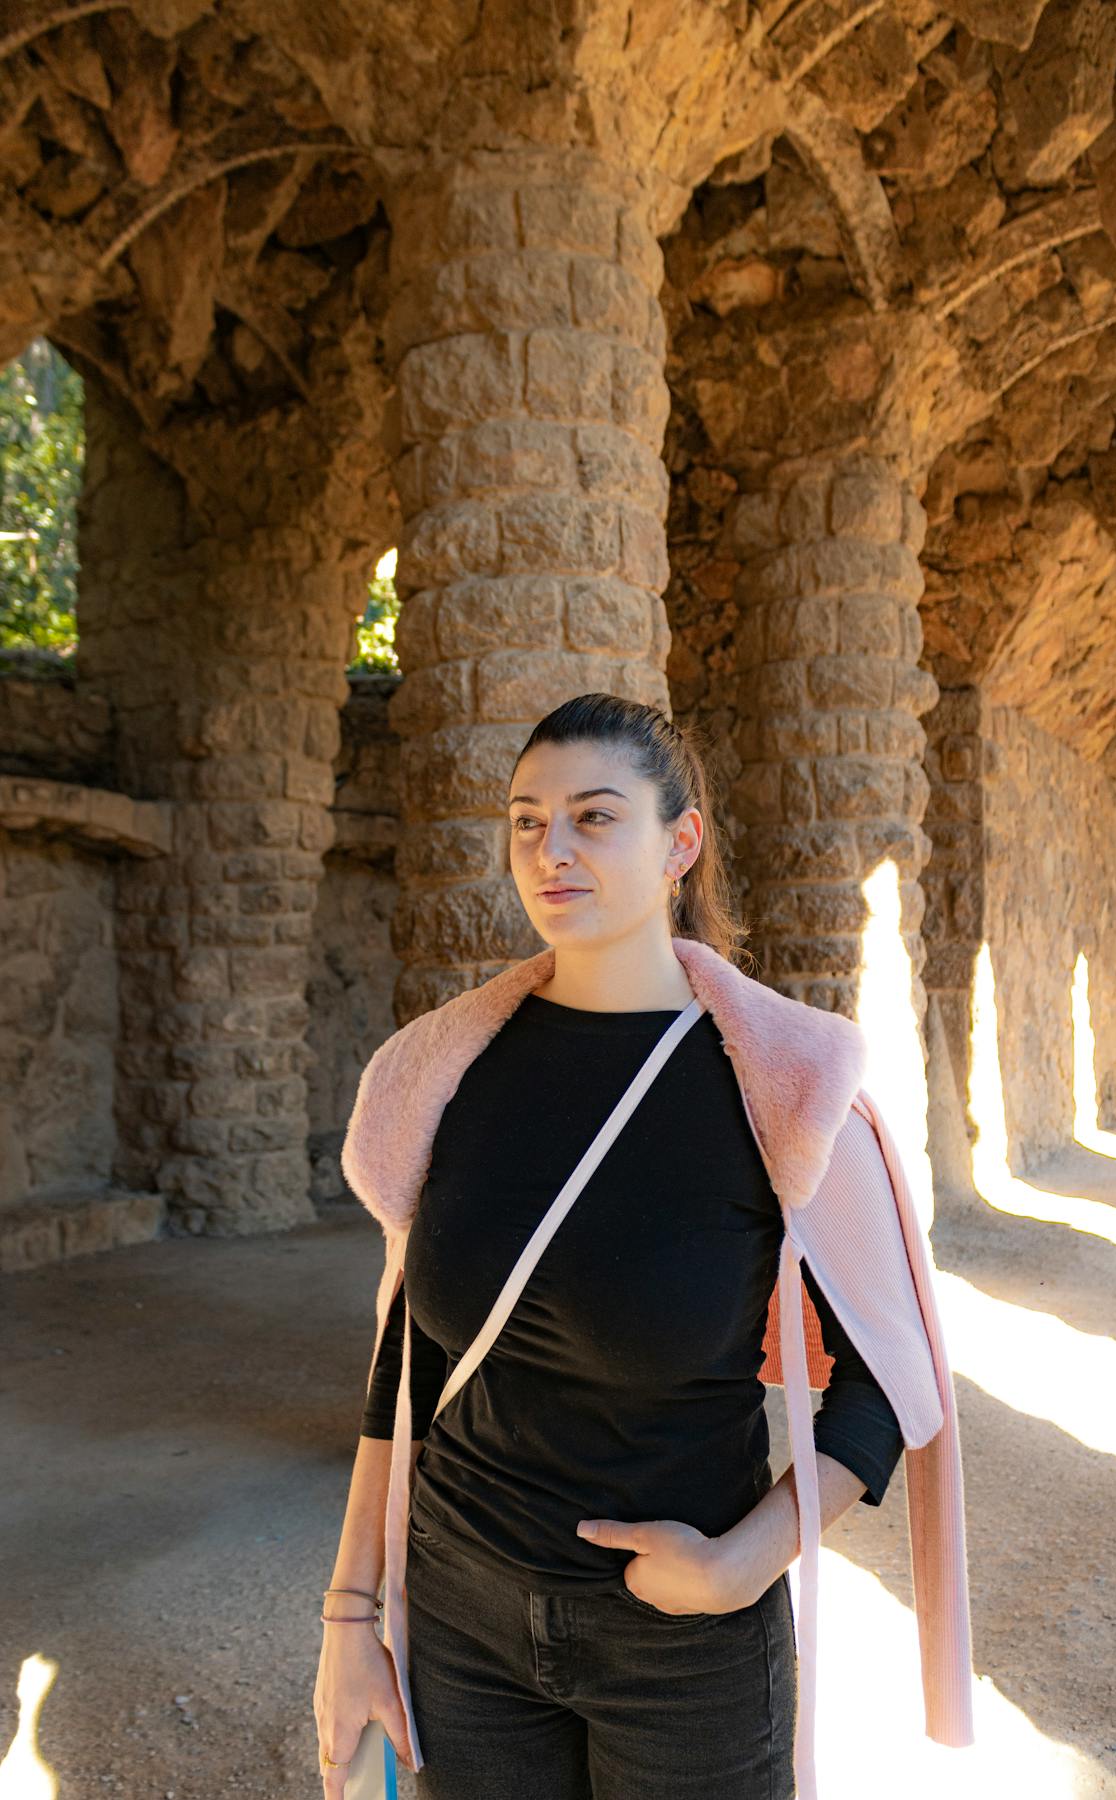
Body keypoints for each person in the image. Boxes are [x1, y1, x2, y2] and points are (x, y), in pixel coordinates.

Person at [314, 692, 974, 1799]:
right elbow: (410, 1357)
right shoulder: (446, 1073)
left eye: (593, 817)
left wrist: (745, 1563)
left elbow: (886, 1381)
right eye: (527, 821)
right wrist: (349, 1616)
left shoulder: (784, 1089)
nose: (550, 851)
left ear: (682, 842)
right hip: (461, 1620)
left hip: (682, 1656)